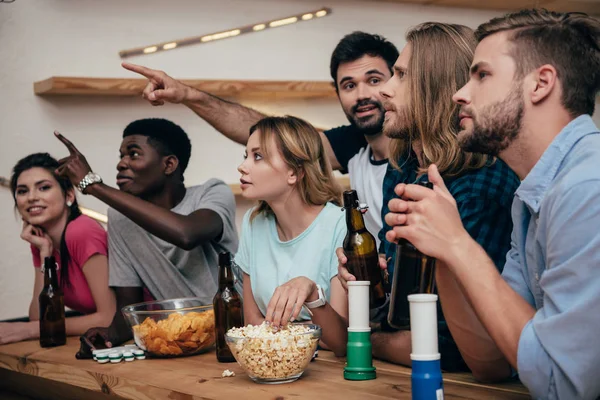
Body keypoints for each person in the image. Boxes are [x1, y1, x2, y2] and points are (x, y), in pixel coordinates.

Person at [384, 9, 600, 399]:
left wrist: (458, 244)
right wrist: (444, 254)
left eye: (481, 75)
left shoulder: (588, 188)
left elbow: (564, 386)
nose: (460, 94)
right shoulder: (530, 195)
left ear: (541, 84)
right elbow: (491, 361)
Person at [337, 22, 520, 371]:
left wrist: (365, 339)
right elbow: (403, 309)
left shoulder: (482, 185)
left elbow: (461, 346)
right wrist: (374, 286)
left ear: (435, 89)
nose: (385, 91)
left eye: (401, 76)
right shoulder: (403, 166)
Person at [122, 31, 399, 249]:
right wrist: (187, 95)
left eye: (373, 80)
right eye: (349, 85)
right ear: (337, 92)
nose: (361, 94)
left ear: (396, 80)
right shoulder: (351, 145)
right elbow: (271, 139)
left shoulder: (422, 151)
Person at [54, 118, 238, 349]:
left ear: (169, 164)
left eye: (133, 154)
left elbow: (187, 234)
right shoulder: (120, 218)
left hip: (236, 337)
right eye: (121, 156)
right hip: (184, 343)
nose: (121, 164)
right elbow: (129, 305)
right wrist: (109, 336)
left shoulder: (212, 193)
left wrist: (93, 186)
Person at [234, 116, 348, 356]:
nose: (243, 166)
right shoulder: (253, 222)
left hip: (328, 371)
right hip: (272, 362)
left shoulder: (340, 224)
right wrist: (310, 330)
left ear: (294, 173)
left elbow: (340, 341)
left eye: (258, 156)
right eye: (246, 155)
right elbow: (252, 324)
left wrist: (313, 294)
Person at [0, 153, 115, 345]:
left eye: (44, 188)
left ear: (69, 194)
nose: (32, 198)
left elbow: (109, 318)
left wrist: (28, 330)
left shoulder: (81, 231)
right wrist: (44, 252)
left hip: (153, 330)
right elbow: (39, 318)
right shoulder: (42, 241)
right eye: (22, 191)